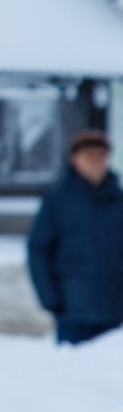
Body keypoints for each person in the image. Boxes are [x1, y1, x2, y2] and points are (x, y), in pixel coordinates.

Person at [27, 129, 123, 344]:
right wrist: (50, 298)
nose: (96, 162)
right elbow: (39, 249)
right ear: (75, 159)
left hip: (115, 310)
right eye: (89, 156)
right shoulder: (58, 200)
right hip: (73, 310)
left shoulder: (118, 200)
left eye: (101, 156)